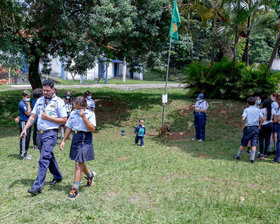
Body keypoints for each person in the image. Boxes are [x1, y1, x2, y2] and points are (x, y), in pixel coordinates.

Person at [20, 80, 67, 195]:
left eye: (47, 90)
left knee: (43, 158)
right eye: (43, 90)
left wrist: (49, 118)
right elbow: (33, 115)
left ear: (53, 90)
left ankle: (37, 186)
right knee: (48, 156)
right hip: (39, 134)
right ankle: (57, 176)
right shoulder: (40, 100)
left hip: (50, 133)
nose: (45, 92)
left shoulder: (58, 102)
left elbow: (64, 119)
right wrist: (25, 128)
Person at [60, 96, 96, 200]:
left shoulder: (90, 114)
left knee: (78, 163)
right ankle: (90, 175)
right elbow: (69, 127)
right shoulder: (73, 113)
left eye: (78, 108)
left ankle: (75, 189)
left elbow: (92, 129)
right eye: (75, 107)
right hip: (76, 138)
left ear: (84, 106)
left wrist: (84, 117)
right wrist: (63, 140)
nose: (76, 109)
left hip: (85, 138)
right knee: (80, 162)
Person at [234, 96, 263, 163]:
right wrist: (259, 126)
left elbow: (243, 118)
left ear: (247, 103)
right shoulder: (258, 110)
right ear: (255, 102)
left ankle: (238, 156)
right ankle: (252, 159)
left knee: (243, 142)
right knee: (254, 143)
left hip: (248, 127)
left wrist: (243, 125)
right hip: (255, 127)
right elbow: (262, 118)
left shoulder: (246, 110)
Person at [18, 90, 32, 159]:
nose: (28, 98)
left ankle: (25, 153)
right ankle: (22, 154)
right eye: (27, 97)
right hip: (23, 122)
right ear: (23, 97)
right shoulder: (22, 104)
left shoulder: (26, 103)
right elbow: (28, 113)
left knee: (28, 138)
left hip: (28, 122)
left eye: (29, 97)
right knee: (24, 138)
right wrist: (29, 105)